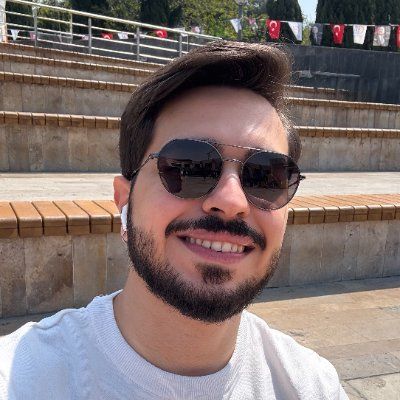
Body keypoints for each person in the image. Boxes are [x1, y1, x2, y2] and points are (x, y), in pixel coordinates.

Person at [0, 41, 348, 399]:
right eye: (189, 166)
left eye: (266, 177)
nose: (231, 202)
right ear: (125, 200)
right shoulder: (18, 379)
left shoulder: (312, 386)